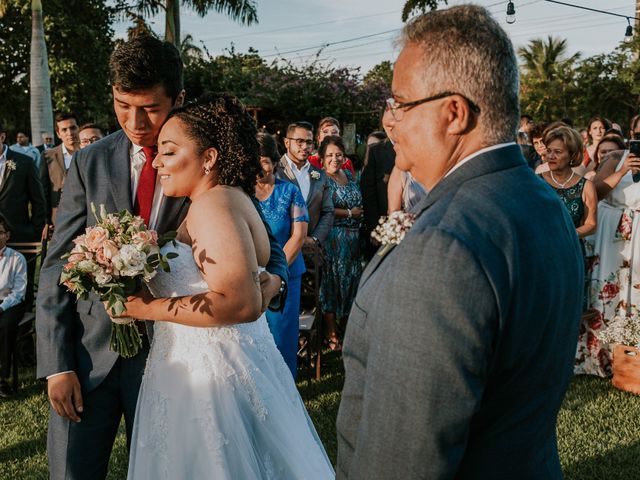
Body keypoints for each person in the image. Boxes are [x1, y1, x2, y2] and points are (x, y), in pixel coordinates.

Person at [336, 6, 583, 479]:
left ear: (453, 113)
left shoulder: (443, 247)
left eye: (401, 103)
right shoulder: (543, 200)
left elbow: (404, 459)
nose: (391, 122)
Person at [36, 36, 289, 480]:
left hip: (175, 361)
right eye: (122, 104)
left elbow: (256, 233)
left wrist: (275, 280)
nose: (135, 121)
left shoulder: (209, 161)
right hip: (88, 354)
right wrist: (56, 364)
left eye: (150, 108)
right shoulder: (89, 162)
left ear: (178, 98)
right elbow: (58, 262)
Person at [118, 93, 334, 478]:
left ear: (209, 158)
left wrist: (144, 308)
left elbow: (238, 303)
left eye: (168, 152)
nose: (156, 162)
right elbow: (256, 280)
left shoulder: (212, 206)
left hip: (212, 378)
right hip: (214, 360)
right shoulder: (229, 197)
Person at [578, 119, 640, 377]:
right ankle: (604, 354)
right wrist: (624, 169)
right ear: (631, 134)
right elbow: (596, 192)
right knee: (609, 293)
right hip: (613, 243)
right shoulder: (617, 156)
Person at [255, 132, 308, 378]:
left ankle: (285, 389)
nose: (259, 166)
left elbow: (298, 236)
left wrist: (275, 273)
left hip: (285, 275)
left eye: (264, 160)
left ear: (275, 162)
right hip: (248, 277)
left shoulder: (290, 192)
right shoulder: (241, 193)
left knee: (280, 336)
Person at [538, 126, 597, 311]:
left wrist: (567, 234)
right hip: (541, 253)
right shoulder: (536, 182)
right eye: (549, 151)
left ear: (572, 155)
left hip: (570, 252)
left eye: (557, 152)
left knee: (569, 309)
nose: (551, 156)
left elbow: (591, 224)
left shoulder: (585, 186)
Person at [317, 136, 362, 351]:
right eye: (330, 155)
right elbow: (322, 210)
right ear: (322, 159)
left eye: (338, 155)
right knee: (332, 284)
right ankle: (331, 333)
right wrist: (350, 212)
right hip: (334, 240)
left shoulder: (350, 176)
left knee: (351, 284)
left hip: (354, 241)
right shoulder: (322, 180)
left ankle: (346, 328)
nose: (335, 159)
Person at [0, 122, 47, 312]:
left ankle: (24, 335)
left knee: (23, 290)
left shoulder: (23, 162)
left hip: (20, 234)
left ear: (2, 137)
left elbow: (38, 200)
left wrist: (35, 231)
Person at [276, 121, 334, 247]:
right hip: (280, 248)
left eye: (308, 142)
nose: (304, 146)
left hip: (312, 251)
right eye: (299, 141)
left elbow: (328, 211)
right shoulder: (275, 172)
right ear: (287, 142)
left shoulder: (320, 175)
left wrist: (315, 239)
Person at [0, 215, 27, 398]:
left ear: (7, 235)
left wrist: (2, 307)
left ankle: (2, 379)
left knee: (4, 326)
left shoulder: (17, 259)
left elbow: (19, 293)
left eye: (0, 232)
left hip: (10, 303)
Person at [40, 113, 81, 225]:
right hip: (59, 218)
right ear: (58, 134)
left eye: (73, 128)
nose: (70, 133)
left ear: (78, 128)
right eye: (64, 130)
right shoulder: (48, 156)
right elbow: (44, 191)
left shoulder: (89, 153)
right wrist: (46, 222)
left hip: (87, 216)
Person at [360, 130, 395, 260]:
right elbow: (368, 193)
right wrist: (375, 228)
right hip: (383, 225)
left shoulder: (417, 146)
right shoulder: (376, 151)